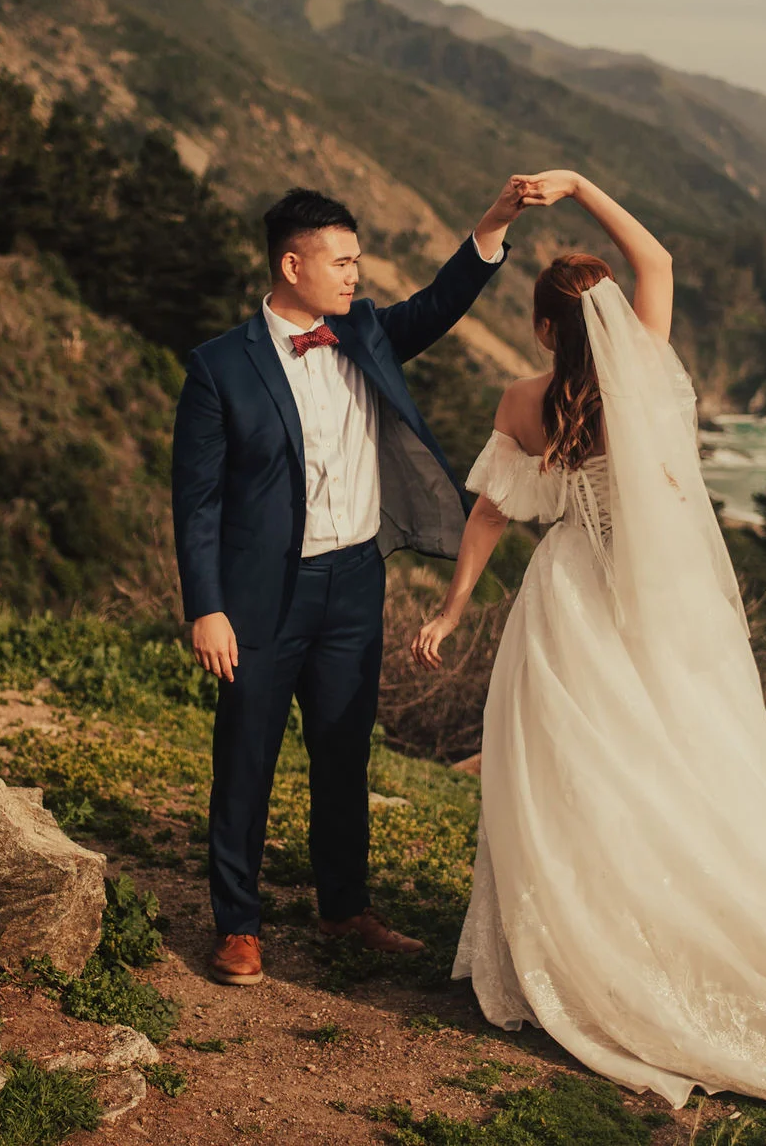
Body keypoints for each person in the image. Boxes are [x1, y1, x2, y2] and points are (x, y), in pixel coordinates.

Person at [411, 171, 766, 1145]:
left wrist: (455, 606)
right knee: (687, 774)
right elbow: (656, 258)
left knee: (567, 782)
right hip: (662, 612)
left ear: (544, 329)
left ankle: (575, 950)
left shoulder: (522, 398)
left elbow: (491, 511)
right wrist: (580, 183)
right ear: (615, 320)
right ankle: (667, 941)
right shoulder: (649, 373)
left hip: (566, 601)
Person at [172, 181, 531, 987]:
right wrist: (208, 607)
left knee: (342, 750)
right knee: (246, 756)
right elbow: (194, 501)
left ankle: (345, 907)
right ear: (291, 263)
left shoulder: (362, 330)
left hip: (354, 582)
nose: (353, 275)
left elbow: (439, 303)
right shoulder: (219, 368)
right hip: (263, 595)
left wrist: (494, 226)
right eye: (341, 261)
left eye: (357, 260)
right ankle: (237, 925)